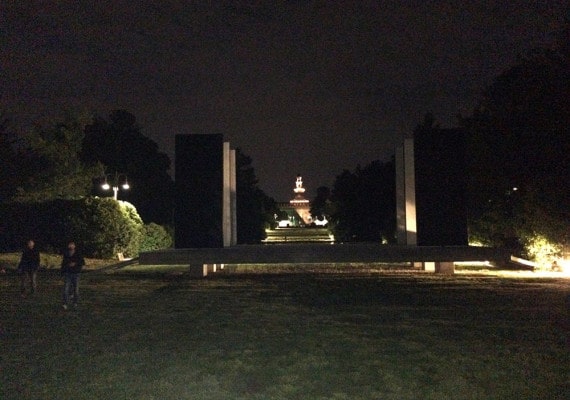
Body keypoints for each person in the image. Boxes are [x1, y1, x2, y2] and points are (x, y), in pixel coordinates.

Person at [61, 241, 85, 310]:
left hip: (76, 273)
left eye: (72, 245)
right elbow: (63, 263)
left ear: (74, 246)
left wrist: (75, 264)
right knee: (66, 289)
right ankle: (65, 303)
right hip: (68, 273)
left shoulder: (78, 253)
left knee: (76, 289)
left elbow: (82, 262)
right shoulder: (66, 254)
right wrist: (62, 272)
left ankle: (75, 303)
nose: (71, 246)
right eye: (70, 245)